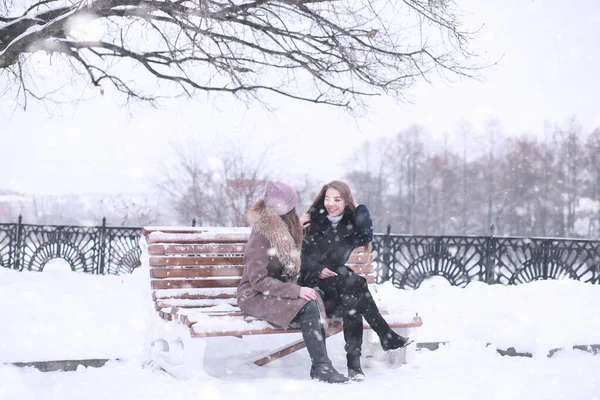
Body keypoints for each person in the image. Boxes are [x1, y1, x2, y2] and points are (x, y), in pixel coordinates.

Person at [236, 181, 349, 384]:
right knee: (308, 303)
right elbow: (257, 280)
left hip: (273, 292)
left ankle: (320, 367)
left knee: (313, 298)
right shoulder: (261, 235)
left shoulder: (284, 230)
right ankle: (321, 366)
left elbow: (289, 261)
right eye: (292, 206)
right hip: (253, 295)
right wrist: (295, 291)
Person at [299, 180, 411, 381]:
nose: (331, 204)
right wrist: (316, 268)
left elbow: (365, 235)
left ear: (346, 201)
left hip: (338, 284)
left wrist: (362, 212)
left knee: (352, 297)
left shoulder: (348, 224)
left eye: (337, 199)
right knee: (355, 284)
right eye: (327, 198)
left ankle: (354, 364)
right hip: (313, 288)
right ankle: (381, 340)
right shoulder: (311, 221)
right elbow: (295, 257)